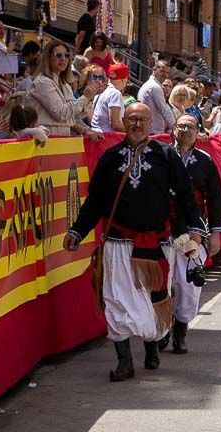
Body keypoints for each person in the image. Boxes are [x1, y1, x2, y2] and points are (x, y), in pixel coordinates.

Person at [63, 103, 205, 382]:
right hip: (118, 244)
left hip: (157, 244)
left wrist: (195, 229)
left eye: (142, 119)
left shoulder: (166, 155)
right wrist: (78, 231)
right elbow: (95, 202)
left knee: (154, 301)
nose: (137, 124)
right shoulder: (111, 157)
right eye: (132, 119)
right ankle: (124, 361)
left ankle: (152, 346)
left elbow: (185, 195)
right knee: (115, 301)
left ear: (151, 122)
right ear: (124, 123)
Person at [161, 114, 221, 355]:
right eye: (182, 126)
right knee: (162, 282)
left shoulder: (205, 161)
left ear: (198, 131)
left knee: (188, 285)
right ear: (173, 129)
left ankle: (180, 330)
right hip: (162, 230)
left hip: (193, 232)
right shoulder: (162, 157)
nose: (187, 130)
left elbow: (216, 197)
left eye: (191, 126)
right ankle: (162, 329)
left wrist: (216, 234)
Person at [28, 39, 103, 138]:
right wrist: (85, 97)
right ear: (49, 57)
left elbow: (73, 116)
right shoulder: (42, 82)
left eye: (67, 55)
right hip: (45, 140)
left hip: (63, 140)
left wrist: (86, 130)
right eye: (58, 55)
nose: (63, 59)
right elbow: (61, 113)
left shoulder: (65, 84)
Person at [138, 58, 174, 135]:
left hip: (150, 131)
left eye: (167, 72)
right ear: (154, 70)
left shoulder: (150, 85)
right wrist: (175, 127)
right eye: (162, 71)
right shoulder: (155, 87)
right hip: (153, 133)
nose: (165, 75)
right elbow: (164, 111)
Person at [92, 62, 130, 133]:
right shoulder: (115, 93)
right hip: (108, 139)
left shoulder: (101, 91)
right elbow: (115, 124)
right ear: (123, 79)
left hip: (98, 137)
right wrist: (131, 133)